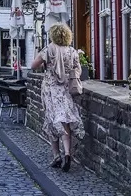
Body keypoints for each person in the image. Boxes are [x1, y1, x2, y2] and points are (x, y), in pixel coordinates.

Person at [30, 23, 84, 172]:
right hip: (66, 90)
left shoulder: (48, 49)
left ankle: (56, 156)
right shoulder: (72, 51)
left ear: (53, 35)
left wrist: (46, 64)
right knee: (65, 121)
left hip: (50, 89)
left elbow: (33, 65)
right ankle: (67, 154)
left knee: (52, 121)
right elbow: (77, 70)